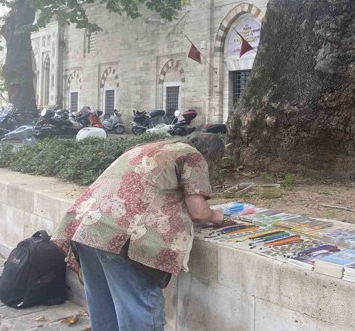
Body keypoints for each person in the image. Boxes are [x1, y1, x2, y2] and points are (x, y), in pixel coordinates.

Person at [52, 133, 225, 331]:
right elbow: (198, 211)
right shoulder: (193, 156)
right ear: (211, 153)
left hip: (85, 228)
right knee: (140, 312)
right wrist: (216, 216)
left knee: (105, 311)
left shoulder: (150, 147)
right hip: (120, 237)